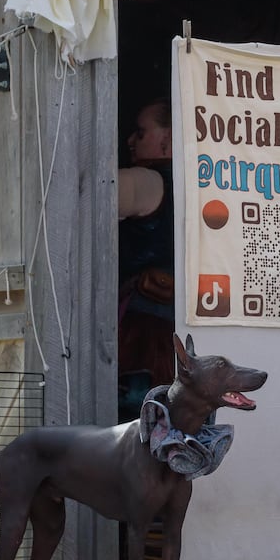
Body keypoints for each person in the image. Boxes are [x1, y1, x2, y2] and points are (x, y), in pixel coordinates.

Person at [118, 96, 178, 391]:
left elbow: (85, 193)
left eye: (140, 133)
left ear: (167, 137)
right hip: (175, 332)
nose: (130, 140)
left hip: (141, 333)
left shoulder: (148, 180)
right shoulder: (200, 183)